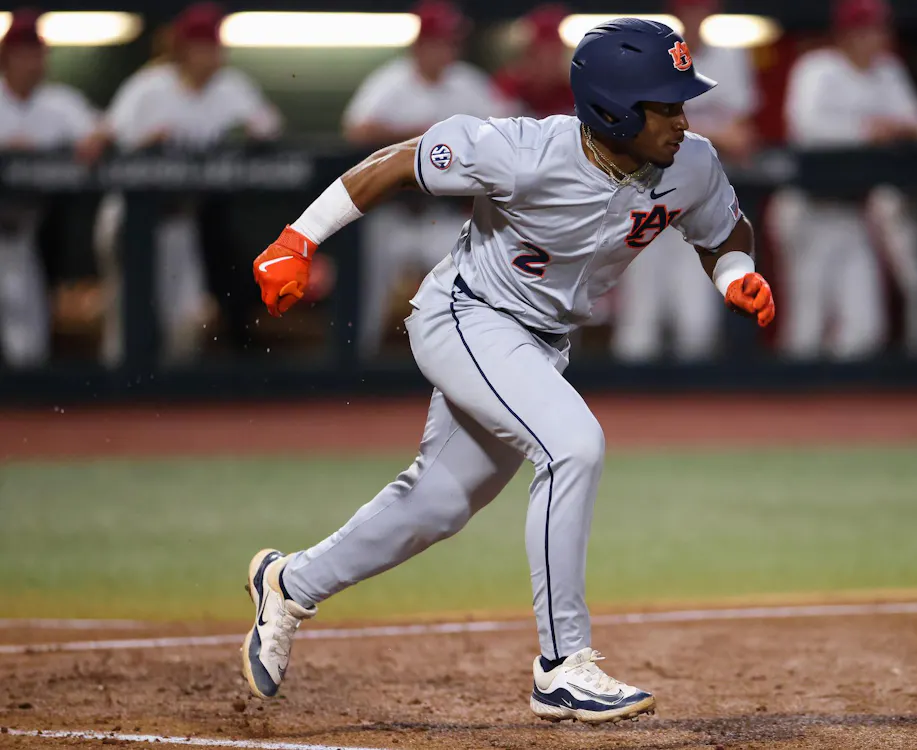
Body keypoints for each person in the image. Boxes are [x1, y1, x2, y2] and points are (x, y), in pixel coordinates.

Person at [242, 19, 775, 724]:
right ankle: (563, 666)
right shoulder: (520, 150)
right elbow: (400, 160)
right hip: (465, 316)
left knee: (437, 502)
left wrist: (735, 272)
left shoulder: (692, 162)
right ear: (614, 108)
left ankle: (289, 583)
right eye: (666, 104)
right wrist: (298, 238)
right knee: (573, 445)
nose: (683, 119)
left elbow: (721, 229)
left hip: (540, 341)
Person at [95, 2, 282, 365]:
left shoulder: (231, 88)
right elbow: (102, 138)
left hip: (180, 217)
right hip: (132, 216)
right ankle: (117, 402)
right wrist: (144, 144)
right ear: (182, 49)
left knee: (187, 320)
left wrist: (243, 134)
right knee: (127, 314)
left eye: (214, 45)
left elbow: (269, 127)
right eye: (201, 45)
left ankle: (167, 410)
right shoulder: (149, 87)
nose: (210, 53)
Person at [342, 0, 514, 359]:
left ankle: (468, 363)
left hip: (445, 212)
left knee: (469, 289)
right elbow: (355, 131)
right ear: (420, 45)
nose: (446, 49)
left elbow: (511, 129)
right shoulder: (391, 81)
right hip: (392, 211)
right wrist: (416, 137)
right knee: (366, 291)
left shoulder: (468, 82)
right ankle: (354, 366)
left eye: (451, 41)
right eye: (439, 41)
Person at [613, 0, 761, 363]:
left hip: (697, 198)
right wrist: (716, 134)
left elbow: (743, 136)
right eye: (689, 10)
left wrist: (689, 131)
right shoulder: (653, 54)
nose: (696, 17)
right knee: (639, 323)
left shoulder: (730, 58)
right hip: (644, 192)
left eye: (702, 10)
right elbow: (638, 126)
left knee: (696, 324)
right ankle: (632, 411)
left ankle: (696, 419)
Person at [778, 0, 917, 360]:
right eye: (868, 29)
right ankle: (787, 412)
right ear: (845, 34)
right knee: (806, 330)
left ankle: (838, 416)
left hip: (854, 210)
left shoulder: (888, 71)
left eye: (880, 28)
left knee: (864, 332)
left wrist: (888, 129)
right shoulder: (817, 69)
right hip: (808, 208)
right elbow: (807, 129)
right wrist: (869, 130)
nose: (878, 37)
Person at [0, 9, 104, 368]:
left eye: (38, 53)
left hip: (26, 230)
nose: (32, 62)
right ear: (6, 56)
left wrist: (93, 140)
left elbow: (100, 131)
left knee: (28, 334)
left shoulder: (59, 103)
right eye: (23, 53)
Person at [492, 4, 575, 119]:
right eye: (540, 56)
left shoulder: (573, 90)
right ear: (527, 56)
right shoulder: (507, 88)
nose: (547, 64)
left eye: (554, 55)